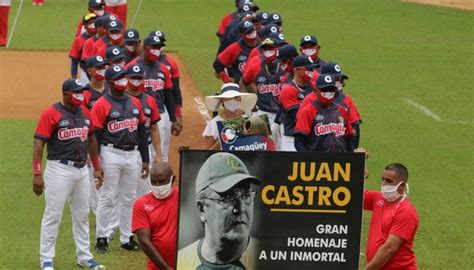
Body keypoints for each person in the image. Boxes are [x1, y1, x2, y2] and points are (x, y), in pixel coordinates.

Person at [33, 79, 105, 270]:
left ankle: (84, 256)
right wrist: (37, 173)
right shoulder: (51, 113)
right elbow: (39, 143)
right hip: (59, 169)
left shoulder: (85, 112)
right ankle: (46, 260)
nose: (81, 95)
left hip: (82, 170)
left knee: (82, 214)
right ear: (65, 94)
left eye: (82, 92)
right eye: (77, 92)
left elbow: (91, 140)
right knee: (53, 215)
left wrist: (97, 167)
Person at [91, 65, 150, 253]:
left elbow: (142, 132)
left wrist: (146, 159)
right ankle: (101, 237)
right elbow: (95, 135)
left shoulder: (135, 103)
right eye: (119, 78)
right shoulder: (102, 104)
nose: (124, 80)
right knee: (108, 195)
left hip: (133, 154)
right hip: (110, 153)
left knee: (129, 198)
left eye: (124, 77)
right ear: (109, 82)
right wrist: (97, 164)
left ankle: (126, 238)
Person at [178, 152, 261, 270]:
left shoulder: (268, 258)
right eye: (227, 197)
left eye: (246, 196)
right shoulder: (181, 262)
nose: (240, 208)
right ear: (202, 209)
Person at [126, 34, 182, 162]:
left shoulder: (163, 69)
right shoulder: (131, 67)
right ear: (145, 48)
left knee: (158, 152)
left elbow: (168, 94)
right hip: (137, 115)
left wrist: (173, 119)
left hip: (159, 115)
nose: (157, 50)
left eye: (159, 47)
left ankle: (156, 181)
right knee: (137, 152)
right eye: (153, 47)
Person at [364, 162, 418, 270]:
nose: (384, 184)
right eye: (383, 179)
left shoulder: (406, 211)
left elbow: (389, 249)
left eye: (388, 181)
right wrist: (359, 168)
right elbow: (352, 195)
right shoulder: (378, 199)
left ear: (401, 185)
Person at [132, 162, 178, 270]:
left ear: (172, 179)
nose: (158, 186)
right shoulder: (141, 204)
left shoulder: (183, 197)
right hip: (157, 267)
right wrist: (166, 269)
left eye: (162, 182)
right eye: (154, 182)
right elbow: (144, 242)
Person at [126, 64, 161, 197]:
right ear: (127, 78)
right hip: (126, 150)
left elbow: (154, 127)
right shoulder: (120, 99)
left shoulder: (150, 101)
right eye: (133, 77)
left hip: (144, 149)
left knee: (144, 191)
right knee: (124, 192)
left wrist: (158, 154)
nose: (136, 80)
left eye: (139, 77)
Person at [294, 74, 353, 152]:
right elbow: (299, 141)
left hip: (339, 161)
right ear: (315, 91)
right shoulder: (308, 110)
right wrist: (307, 160)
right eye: (324, 89)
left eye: (331, 89)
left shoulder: (341, 110)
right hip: (316, 161)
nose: (328, 92)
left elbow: (349, 136)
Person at [279, 55, 317, 151]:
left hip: (311, 139)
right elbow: (297, 116)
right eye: (309, 68)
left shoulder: (314, 88)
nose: (312, 71)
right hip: (291, 140)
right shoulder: (288, 90)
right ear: (297, 70)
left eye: (312, 68)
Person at [202, 83, 257, 149]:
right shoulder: (213, 123)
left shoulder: (248, 122)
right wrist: (223, 141)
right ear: (222, 101)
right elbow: (206, 153)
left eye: (236, 97)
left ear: (240, 99)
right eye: (228, 98)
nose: (233, 100)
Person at [213, 20, 258, 84]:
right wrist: (227, 80)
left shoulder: (264, 46)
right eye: (248, 32)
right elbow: (217, 64)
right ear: (242, 35)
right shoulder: (234, 48)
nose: (252, 33)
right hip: (241, 88)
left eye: (252, 30)